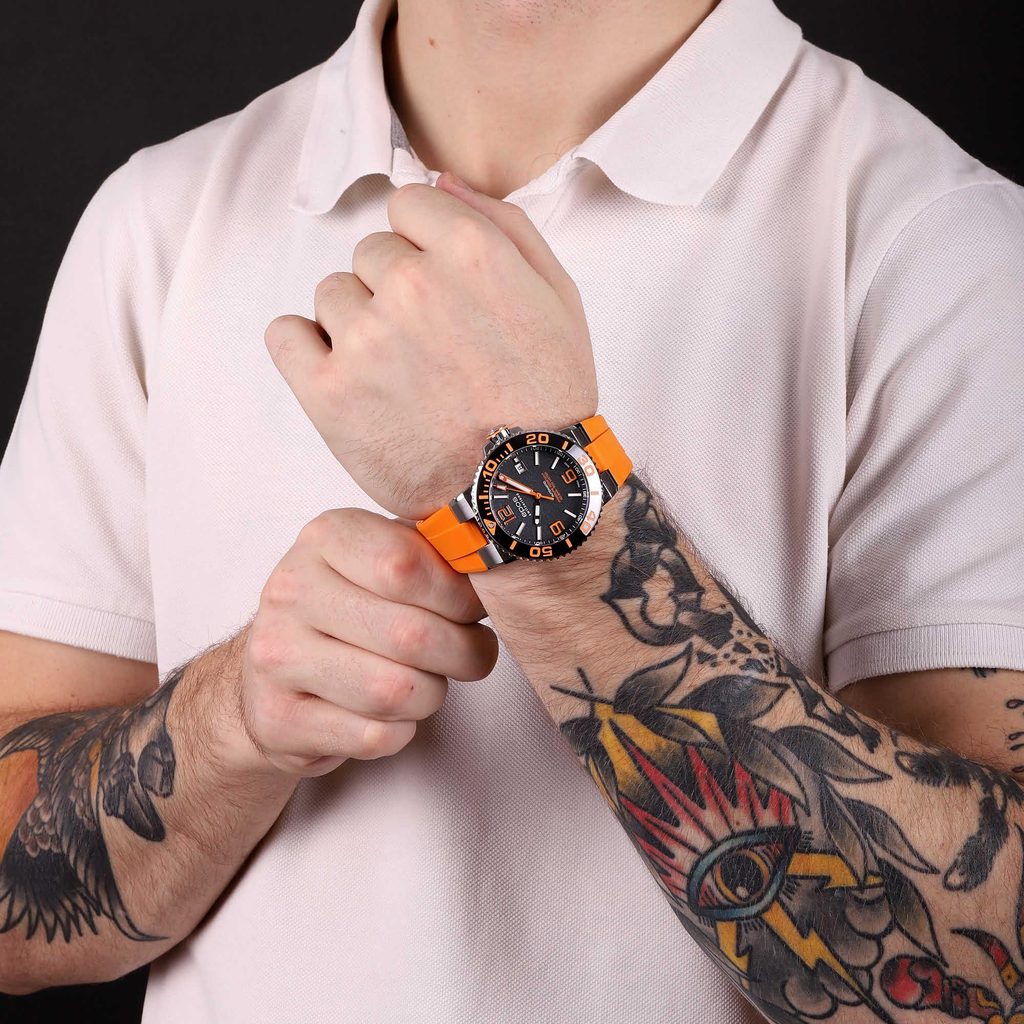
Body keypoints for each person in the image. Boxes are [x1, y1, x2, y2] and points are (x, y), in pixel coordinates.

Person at [1, 0, 1022, 1019]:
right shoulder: (159, 223)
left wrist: (537, 508)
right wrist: (228, 722)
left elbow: (989, 976)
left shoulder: (941, 244)